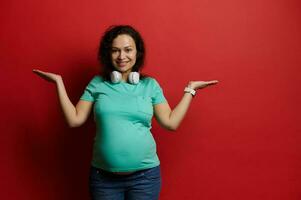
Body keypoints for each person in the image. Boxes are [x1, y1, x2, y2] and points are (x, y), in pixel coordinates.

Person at [32, 25, 218, 200]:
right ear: (108, 54)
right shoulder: (98, 83)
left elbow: (170, 122)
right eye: (115, 50)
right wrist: (59, 83)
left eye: (128, 49)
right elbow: (74, 119)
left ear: (137, 52)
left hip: (145, 178)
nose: (122, 56)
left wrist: (190, 90)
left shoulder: (150, 85)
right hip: (104, 179)